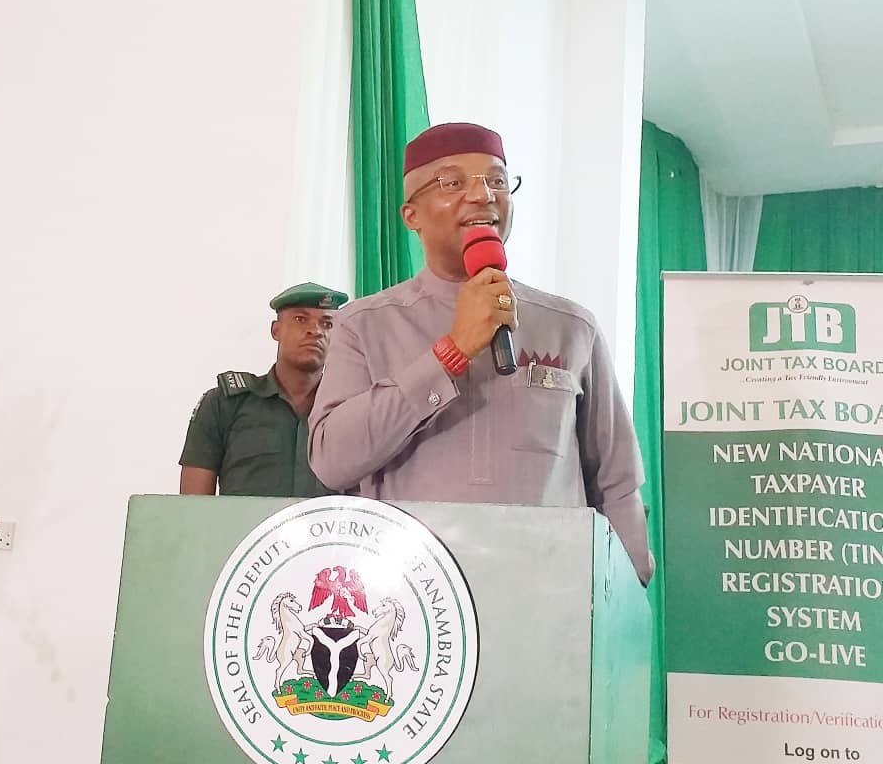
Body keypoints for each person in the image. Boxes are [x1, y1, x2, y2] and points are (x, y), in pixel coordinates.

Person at [308, 122, 655, 583]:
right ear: (411, 215)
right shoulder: (364, 325)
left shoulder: (571, 327)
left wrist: (627, 597)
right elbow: (332, 460)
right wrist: (452, 352)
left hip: (548, 595)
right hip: (414, 598)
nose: (482, 195)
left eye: (497, 181)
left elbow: (616, 482)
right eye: (453, 183)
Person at [180, 282, 348, 497]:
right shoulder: (224, 404)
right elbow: (193, 505)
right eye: (300, 319)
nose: (315, 331)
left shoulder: (347, 410)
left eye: (327, 324)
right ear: (276, 330)